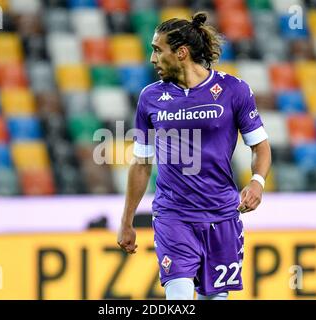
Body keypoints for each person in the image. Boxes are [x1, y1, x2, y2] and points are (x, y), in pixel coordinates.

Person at [117, 12, 272, 300]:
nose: (152, 59)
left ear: (181, 52)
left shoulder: (233, 90)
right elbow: (141, 163)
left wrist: (257, 182)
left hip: (222, 215)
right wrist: (126, 220)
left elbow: (260, 146)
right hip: (173, 215)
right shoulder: (150, 98)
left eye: (157, 50)